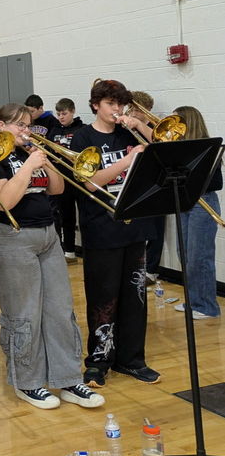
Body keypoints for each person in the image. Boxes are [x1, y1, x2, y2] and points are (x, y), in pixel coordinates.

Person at [0, 103, 103, 410]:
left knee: (60, 309)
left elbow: (57, 189)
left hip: (47, 235)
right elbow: (4, 200)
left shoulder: (28, 153)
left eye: (28, 124)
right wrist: (31, 166)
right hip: (9, 238)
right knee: (25, 313)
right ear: (0, 126)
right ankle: (28, 381)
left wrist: (46, 163)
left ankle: (68, 378)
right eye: (18, 125)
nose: (25, 130)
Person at [69, 79, 159, 387]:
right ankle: (98, 361)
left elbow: (162, 150)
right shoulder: (82, 137)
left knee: (135, 298)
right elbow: (88, 182)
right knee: (102, 299)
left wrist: (141, 124)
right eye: (110, 103)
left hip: (134, 226)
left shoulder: (127, 132)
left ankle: (132, 359)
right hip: (101, 229)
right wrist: (126, 159)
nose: (116, 109)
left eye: (120, 104)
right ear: (95, 105)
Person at [171, 106, 222, 319]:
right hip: (185, 203)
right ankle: (194, 300)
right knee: (184, 253)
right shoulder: (177, 147)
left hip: (203, 203)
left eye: (176, 123)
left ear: (187, 124)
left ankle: (207, 306)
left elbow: (216, 183)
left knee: (199, 256)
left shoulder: (208, 149)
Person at [129, 90, 165, 278]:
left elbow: (161, 145)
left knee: (155, 230)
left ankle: (151, 269)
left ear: (147, 110)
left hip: (156, 183)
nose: (133, 114)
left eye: (137, 110)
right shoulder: (128, 128)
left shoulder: (156, 128)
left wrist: (140, 125)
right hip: (136, 183)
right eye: (131, 109)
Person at [47, 97, 83, 259]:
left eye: (64, 113)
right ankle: (69, 250)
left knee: (85, 216)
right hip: (61, 180)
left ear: (73, 111)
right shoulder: (54, 131)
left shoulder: (82, 130)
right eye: (59, 114)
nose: (61, 117)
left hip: (79, 179)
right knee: (65, 216)